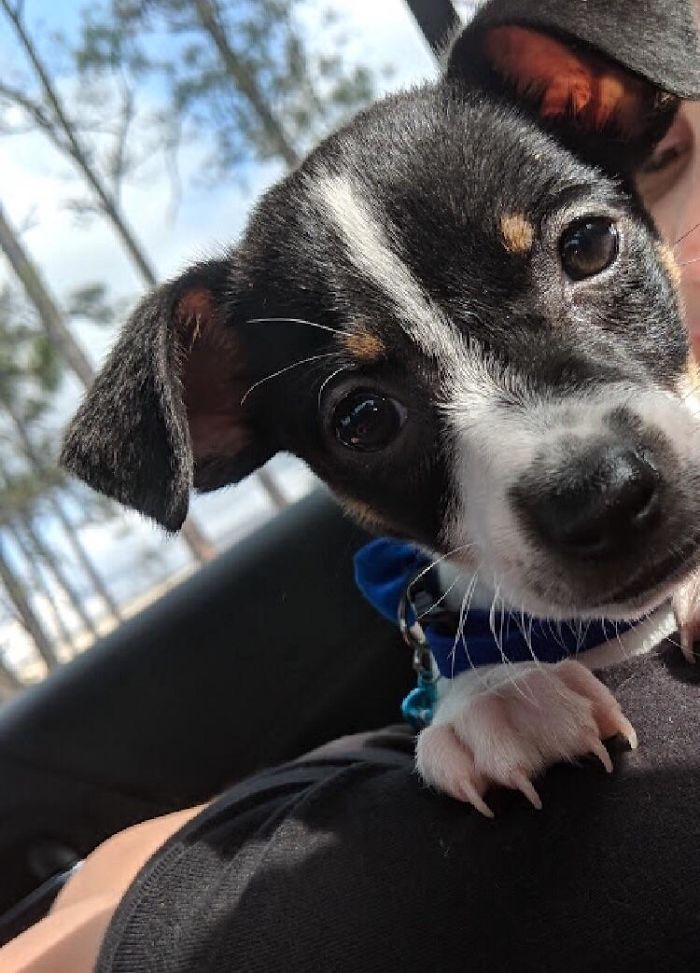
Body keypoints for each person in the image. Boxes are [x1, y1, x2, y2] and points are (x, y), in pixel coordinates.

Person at [4, 40, 700, 973]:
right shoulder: (467, 646)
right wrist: (479, 685)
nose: (580, 469)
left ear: (601, 103)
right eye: (368, 416)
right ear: (227, 419)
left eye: (585, 246)